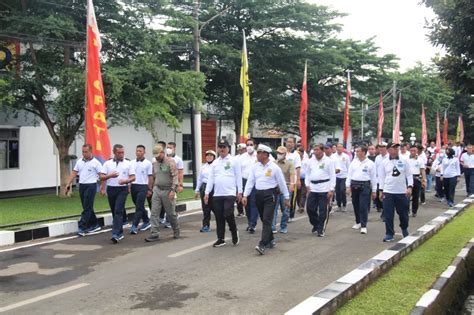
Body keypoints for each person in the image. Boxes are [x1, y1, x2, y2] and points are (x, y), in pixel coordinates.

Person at [243, 144, 290, 255]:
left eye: (259, 153)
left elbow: (282, 183)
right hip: (258, 195)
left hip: (271, 195)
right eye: (257, 152)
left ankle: (262, 244)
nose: (257, 155)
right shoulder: (255, 167)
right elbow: (250, 182)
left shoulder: (274, 168)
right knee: (264, 220)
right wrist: (245, 195)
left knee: (267, 219)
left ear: (265, 154)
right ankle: (271, 239)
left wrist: (286, 197)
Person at [204, 139, 242, 248]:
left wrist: (240, 191)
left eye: (224, 147)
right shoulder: (215, 163)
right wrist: (207, 193)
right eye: (220, 147)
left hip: (230, 193)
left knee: (227, 213)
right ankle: (221, 238)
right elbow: (211, 179)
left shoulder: (234, 161)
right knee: (219, 217)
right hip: (217, 194)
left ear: (228, 148)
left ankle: (234, 231)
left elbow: (238, 177)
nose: (222, 149)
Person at [100, 144, 136, 243]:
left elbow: (133, 177)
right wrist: (109, 176)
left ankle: (115, 233)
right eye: (119, 153)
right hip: (111, 189)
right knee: (114, 211)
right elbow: (101, 177)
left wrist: (125, 181)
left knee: (118, 210)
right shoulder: (107, 163)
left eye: (122, 152)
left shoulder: (128, 163)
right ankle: (119, 232)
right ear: (114, 152)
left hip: (122, 189)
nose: (121, 154)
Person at [145, 145, 180, 242]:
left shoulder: (170, 162)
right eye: (155, 156)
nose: (157, 157)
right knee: (154, 212)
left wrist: (173, 190)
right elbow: (153, 176)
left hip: (168, 190)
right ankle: (154, 233)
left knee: (170, 213)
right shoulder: (154, 164)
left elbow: (175, 177)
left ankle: (176, 231)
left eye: (158, 155)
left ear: (162, 153)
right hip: (157, 189)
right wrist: (150, 189)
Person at [379, 143, 413, 242]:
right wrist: (381, 190)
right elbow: (381, 178)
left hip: (401, 191)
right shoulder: (384, 162)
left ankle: (404, 228)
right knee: (388, 214)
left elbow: (409, 175)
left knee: (403, 213)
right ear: (388, 150)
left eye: (396, 148)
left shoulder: (404, 161)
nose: (396, 150)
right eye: (393, 148)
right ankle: (389, 233)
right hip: (388, 191)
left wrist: (410, 187)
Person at [66, 144, 102, 236]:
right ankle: (95, 224)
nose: (84, 153)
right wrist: (68, 183)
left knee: (87, 207)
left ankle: (82, 227)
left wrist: (102, 186)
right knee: (87, 207)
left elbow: (101, 176)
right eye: (83, 152)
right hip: (82, 186)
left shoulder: (96, 163)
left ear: (91, 151)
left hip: (91, 186)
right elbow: (74, 173)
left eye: (86, 152)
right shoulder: (79, 162)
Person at [305, 143, 336, 237]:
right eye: (314, 150)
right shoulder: (310, 161)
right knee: (310, 208)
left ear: (322, 151)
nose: (315, 152)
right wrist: (307, 185)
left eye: (317, 150)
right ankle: (316, 224)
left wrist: (331, 189)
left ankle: (321, 228)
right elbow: (307, 174)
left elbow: (332, 175)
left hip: (324, 188)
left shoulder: (329, 161)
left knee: (323, 210)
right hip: (313, 188)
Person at [346, 145, 377, 234]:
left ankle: (364, 225)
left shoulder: (370, 163)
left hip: (365, 185)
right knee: (355, 204)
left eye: (358, 151)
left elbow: (373, 177)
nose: (356, 153)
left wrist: (374, 190)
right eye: (356, 151)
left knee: (363, 205)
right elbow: (349, 175)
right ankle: (358, 222)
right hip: (354, 185)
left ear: (363, 152)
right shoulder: (353, 162)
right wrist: (348, 186)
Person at [129, 145, 153, 234]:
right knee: (138, 205)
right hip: (134, 186)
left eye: (140, 151)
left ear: (144, 152)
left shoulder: (148, 163)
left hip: (143, 186)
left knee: (139, 206)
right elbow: (130, 176)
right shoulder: (131, 163)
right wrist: (129, 186)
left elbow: (150, 177)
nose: (138, 152)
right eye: (137, 151)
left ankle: (134, 225)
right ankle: (146, 221)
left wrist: (149, 189)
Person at [272, 146, 295, 234]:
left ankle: (283, 226)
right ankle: (272, 226)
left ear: (285, 154)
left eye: (281, 153)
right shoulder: (273, 163)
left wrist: (292, 185)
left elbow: (292, 175)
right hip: (275, 189)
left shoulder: (289, 164)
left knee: (285, 210)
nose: (279, 155)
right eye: (278, 153)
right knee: (273, 209)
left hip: (286, 188)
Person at [239, 138, 259, 232]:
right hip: (244, 181)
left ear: (255, 145)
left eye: (251, 145)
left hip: (255, 183)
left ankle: (253, 224)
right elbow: (238, 172)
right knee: (246, 203)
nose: (249, 147)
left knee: (254, 203)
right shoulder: (241, 157)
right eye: (247, 145)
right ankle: (249, 222)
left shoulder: (258, 156)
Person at [195, 150, 217, 232]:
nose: (209, 157)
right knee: (206, 208)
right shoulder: (203, 167)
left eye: (211, 155)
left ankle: (221, 223)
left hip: (214, 188)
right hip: (204, 187)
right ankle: (206, 225)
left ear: (214, 157)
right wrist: (197, 190)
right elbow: (200, 179)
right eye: (207, 155)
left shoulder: (216, 166)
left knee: (216, 207)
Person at [285, 136, 302, 221]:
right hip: (284, 179)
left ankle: (290, 215)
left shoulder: (296, 155)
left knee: (292, 198)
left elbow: (298, 168)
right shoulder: (283, 153)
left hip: (293, 180)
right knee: (284, 198)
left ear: (294, 144)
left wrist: (298, 180)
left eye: (291, 142)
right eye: (288, 142)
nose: (289, 144)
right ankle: (285, 213)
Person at [407, 145, 426, 217]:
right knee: (407, 196)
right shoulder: (406, 159)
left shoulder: (420, 160)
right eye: (411, 150)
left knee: (416, 196)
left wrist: (424, 180)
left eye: (414, 150)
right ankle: (407, 210)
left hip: (417, 178)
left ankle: (414, 211)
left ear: (417, 151)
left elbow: (422, 170)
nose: (413, 152)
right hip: (408, 179)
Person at [334, 143, 350, 212]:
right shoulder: (333, 156)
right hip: (336, 176)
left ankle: (344, 205)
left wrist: (349, 176)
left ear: (342, 148)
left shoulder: (346, 156)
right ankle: (339, 205)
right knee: (337, 191)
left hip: (344, 176)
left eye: (341, 147)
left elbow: (348, 166)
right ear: (336, 148)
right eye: (338, 147)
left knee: (342, 190)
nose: (339, 148)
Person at [375, 142, 389, 214]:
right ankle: (379, 207)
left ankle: (385, 210)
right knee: (378, 193)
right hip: (378, 179)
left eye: (383, 147)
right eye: (380, 147)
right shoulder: (377, 157)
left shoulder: (389, 157)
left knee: (385, 195)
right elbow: (375, 168)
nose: (381, 149)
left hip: (387, 179)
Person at [236, 143, 247, 217]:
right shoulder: (236, 158)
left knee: (246, 195)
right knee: (238, 194)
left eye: (242, 149)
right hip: (238, 178)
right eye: (239, 150)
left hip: (245, 178)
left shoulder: (247, 157)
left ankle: (248, 210)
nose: (240, 151)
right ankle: (240, 211)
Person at [296, 146, 308, 213]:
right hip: (297, 179)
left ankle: (302, 206)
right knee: (298, 194)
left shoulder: (306, 160)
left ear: (303, 153)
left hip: (304, 179)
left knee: (303, 193)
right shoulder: (295, 159)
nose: (298, 154)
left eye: (299, 153)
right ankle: (299, 205)